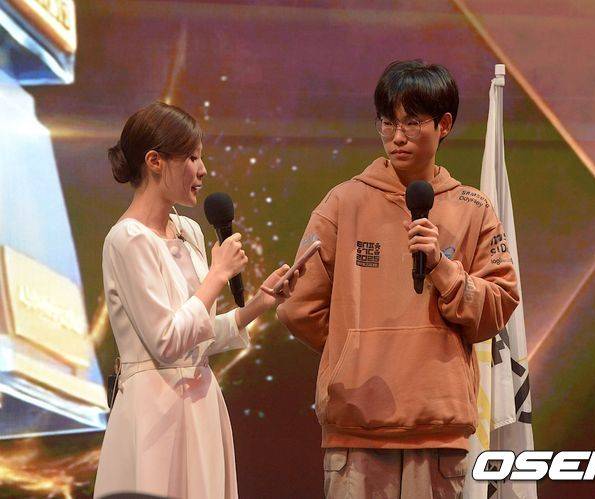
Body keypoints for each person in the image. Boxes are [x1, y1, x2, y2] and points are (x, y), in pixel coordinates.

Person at [277, 60, 520, 498]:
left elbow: (499, 305)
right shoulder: (342, 203)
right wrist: (356, 351)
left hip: (439, 431)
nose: (397, 136)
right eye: (388, 122)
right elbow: (298, 307)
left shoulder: (473, 208)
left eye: (412, 122)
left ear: (444, 125)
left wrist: (443, 269)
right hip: (357, 428)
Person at [94, 101, 298, 498]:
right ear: (154, 161)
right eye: (191, 158)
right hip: (153, 411)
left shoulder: (188, 231)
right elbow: (166, 341)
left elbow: (197, 338)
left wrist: (258, 304)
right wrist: (218, 275)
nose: (202, 170)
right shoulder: (127, 239)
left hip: (201, 402)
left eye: (200, 157)